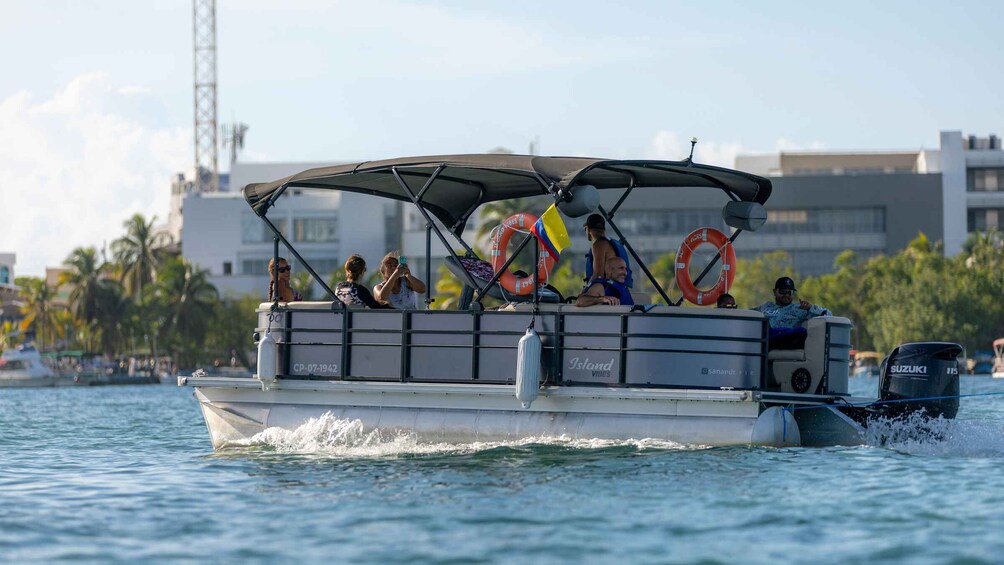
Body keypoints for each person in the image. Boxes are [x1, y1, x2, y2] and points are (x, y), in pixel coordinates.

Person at [754, 276, 830, 348]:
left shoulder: (800, 308)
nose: (787, 295)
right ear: (775, 292)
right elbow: (746, 314)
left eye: (790, 292)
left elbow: (828, 315)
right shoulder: (766, 306)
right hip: (766, 336)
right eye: (783, 291)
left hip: (786, 339)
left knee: (800, 333)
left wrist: (811, 308)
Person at [583, 213, 634, 288]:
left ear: (588, 229)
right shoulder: (614, 243)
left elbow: (598, 276)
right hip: (621, 289)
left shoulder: (599, 245)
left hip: (609, 292)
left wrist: (584, 291)